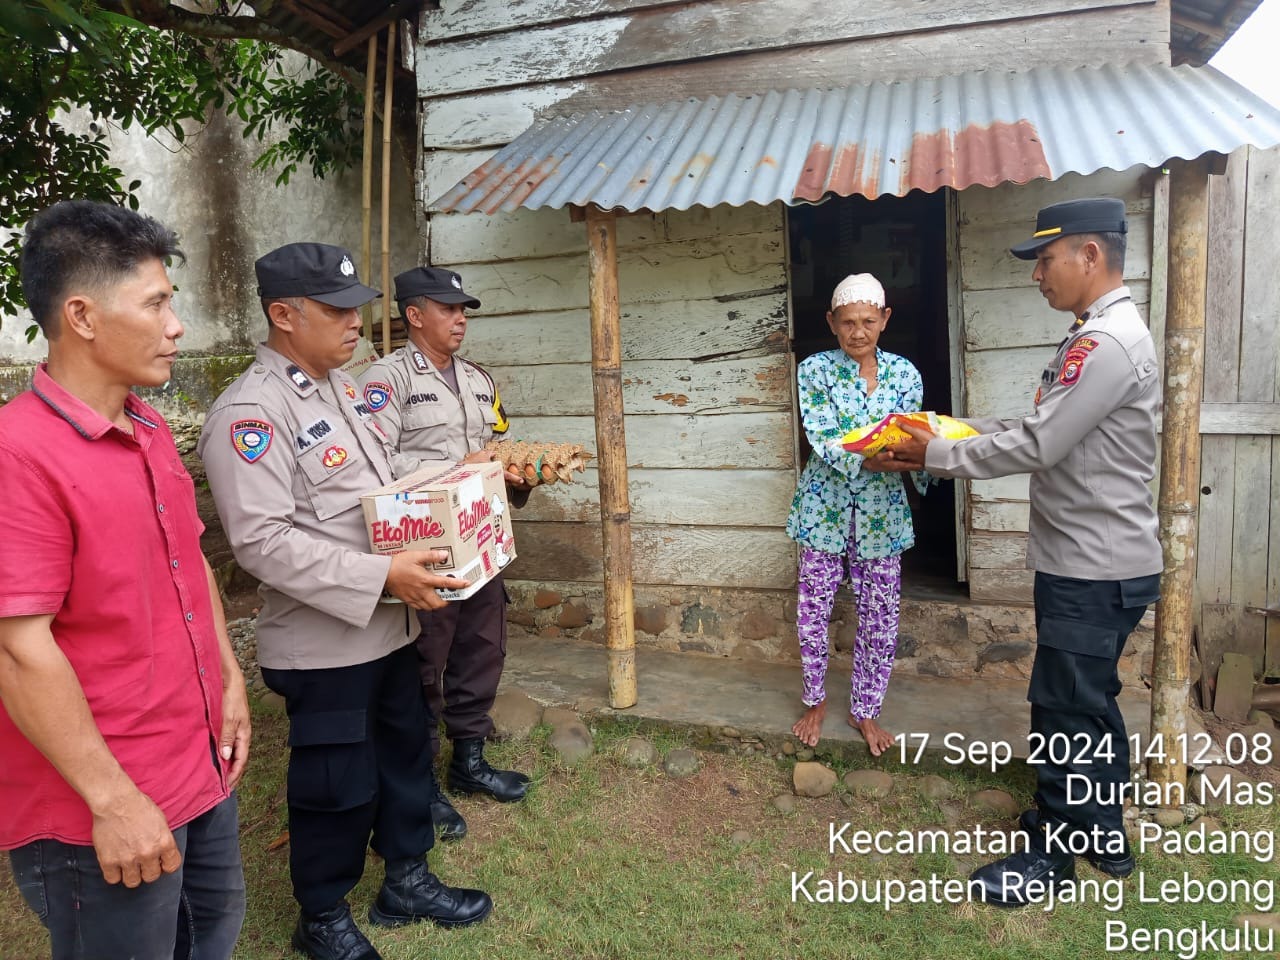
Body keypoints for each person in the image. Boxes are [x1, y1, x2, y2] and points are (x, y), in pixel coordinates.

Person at [197, 244, 492, 960]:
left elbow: (385, 479)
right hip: (324, 643)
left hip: (387, 629)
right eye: (336, 309)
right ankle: (322, 912)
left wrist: (459, 472)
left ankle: (407, 878)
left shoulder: (342, 388)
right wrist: (379, 577)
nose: (356, 321)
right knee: (338, 783)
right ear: (282, 314)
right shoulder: (250, 413)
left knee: (402, 759)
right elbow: (259, 541)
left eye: (356, 306)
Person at [877, 197, 1162, 906]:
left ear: (1089, 255)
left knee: (1065, 708)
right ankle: (1100, 833)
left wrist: (933, 454)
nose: (1038, 275)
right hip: (1094, 560)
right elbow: (1035, 425)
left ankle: (1053, 856)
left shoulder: (1107, 344)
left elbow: (1038, 445)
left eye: (1045, 259)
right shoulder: (1093, 336)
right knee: (1089, 702)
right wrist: (944, 428)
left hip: (1092, 566)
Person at [0, 200, 250, 959]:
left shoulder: (143, 427)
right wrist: (111, 801)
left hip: (195, 765)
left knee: (212, 938)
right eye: (157, 304)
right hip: (101, 804)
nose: (176, 326)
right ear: (81, 315)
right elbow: (17, 650)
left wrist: (230, 679)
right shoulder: (20, 454)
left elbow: (188, 558)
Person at [358, 267, 531, 841]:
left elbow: (499, 445)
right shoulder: (386, 382)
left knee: (482, 648)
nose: (461, 319)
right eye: (449, 309)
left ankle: (469, 759)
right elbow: (374, 466)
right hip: (424, 548)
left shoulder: (480, 380)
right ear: (414, 315)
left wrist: (516, 472)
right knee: (425, 660)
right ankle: (423, 781)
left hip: (482, 539)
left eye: (464, 310)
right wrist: (460, 471)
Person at [785, 273, 930, 756]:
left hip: (881, 515)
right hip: (823, 509)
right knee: (813, 612)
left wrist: (936, 463)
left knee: (879, 617)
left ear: (885, 320)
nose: (858, 332)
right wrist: (872, 457)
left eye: (868, 320)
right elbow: (822, 435)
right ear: (831, 322)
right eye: (848, 322)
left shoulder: (906, 375)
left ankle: (865, 710)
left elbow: (914, 437)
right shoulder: (815, 371)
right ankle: (815, 701)